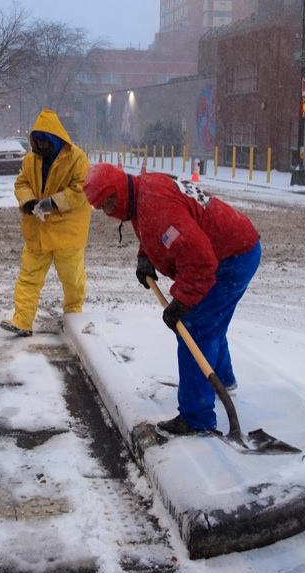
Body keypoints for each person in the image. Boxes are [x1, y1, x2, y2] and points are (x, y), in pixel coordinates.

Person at [82, 162, 261, 438]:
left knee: (195, 327)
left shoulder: (155, 207)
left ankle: (197, 418)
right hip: (237, 245)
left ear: (117, 190)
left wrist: (181, 302)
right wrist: (145, 257)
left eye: (108, 203)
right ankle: (222, 379)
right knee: (211, 321)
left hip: (231, 258)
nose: (107, 211)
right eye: (101, 207)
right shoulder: (142, 190)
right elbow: (153, 227)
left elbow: (200, 262)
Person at [0, 110, 91, 337]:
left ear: (55, 138)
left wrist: (54, 202)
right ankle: (22, 319)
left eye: (44, 141)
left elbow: (82, 189)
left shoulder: (77, 159)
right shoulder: (30, 160)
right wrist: (29, 201)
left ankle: (73, 314)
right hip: (38, 231)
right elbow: (22, 183)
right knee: (29, 277)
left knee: (72, 279)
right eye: (37, 141)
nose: (40, 145)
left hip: (67, 233)